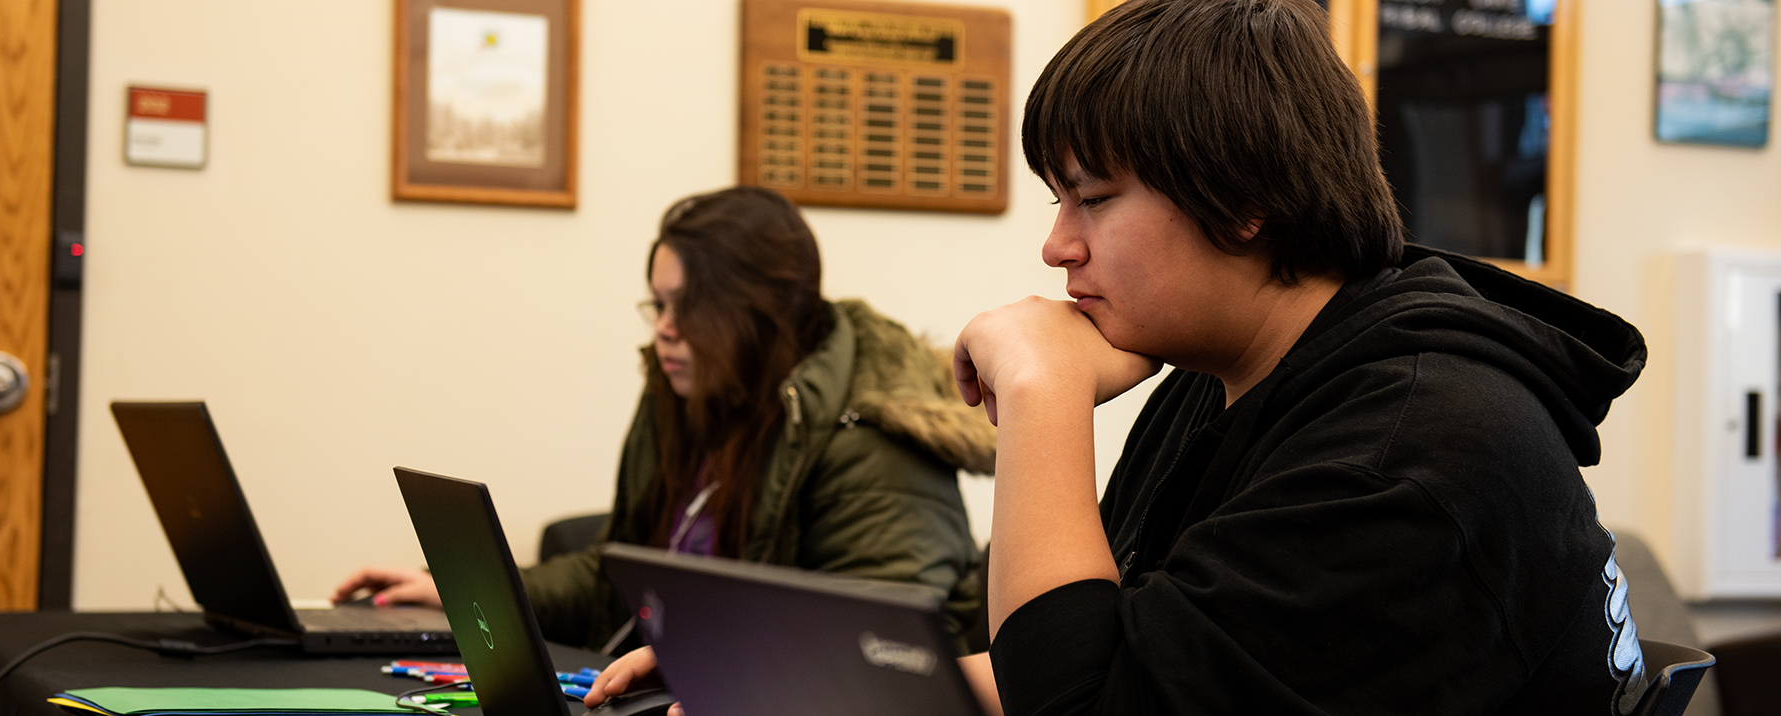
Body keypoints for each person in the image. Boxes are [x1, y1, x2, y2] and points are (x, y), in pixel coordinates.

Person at [589, 0, 1650, 714]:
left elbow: (1082, 704)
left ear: (1243, 199)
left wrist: (1041, 388)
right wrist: (788, 680)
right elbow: (1128, 654)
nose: (1056, 247)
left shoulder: (1406, 454)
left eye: (1092, 198)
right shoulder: (1234, 373)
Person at [334, 186, 991, 657]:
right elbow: (619, 575)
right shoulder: (687, 394)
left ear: (757, 315)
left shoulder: (869, 437)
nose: (665, 331)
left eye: (687, 308)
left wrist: (710, 663)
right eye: (659, 306)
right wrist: (470, 593)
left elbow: (885, 651)